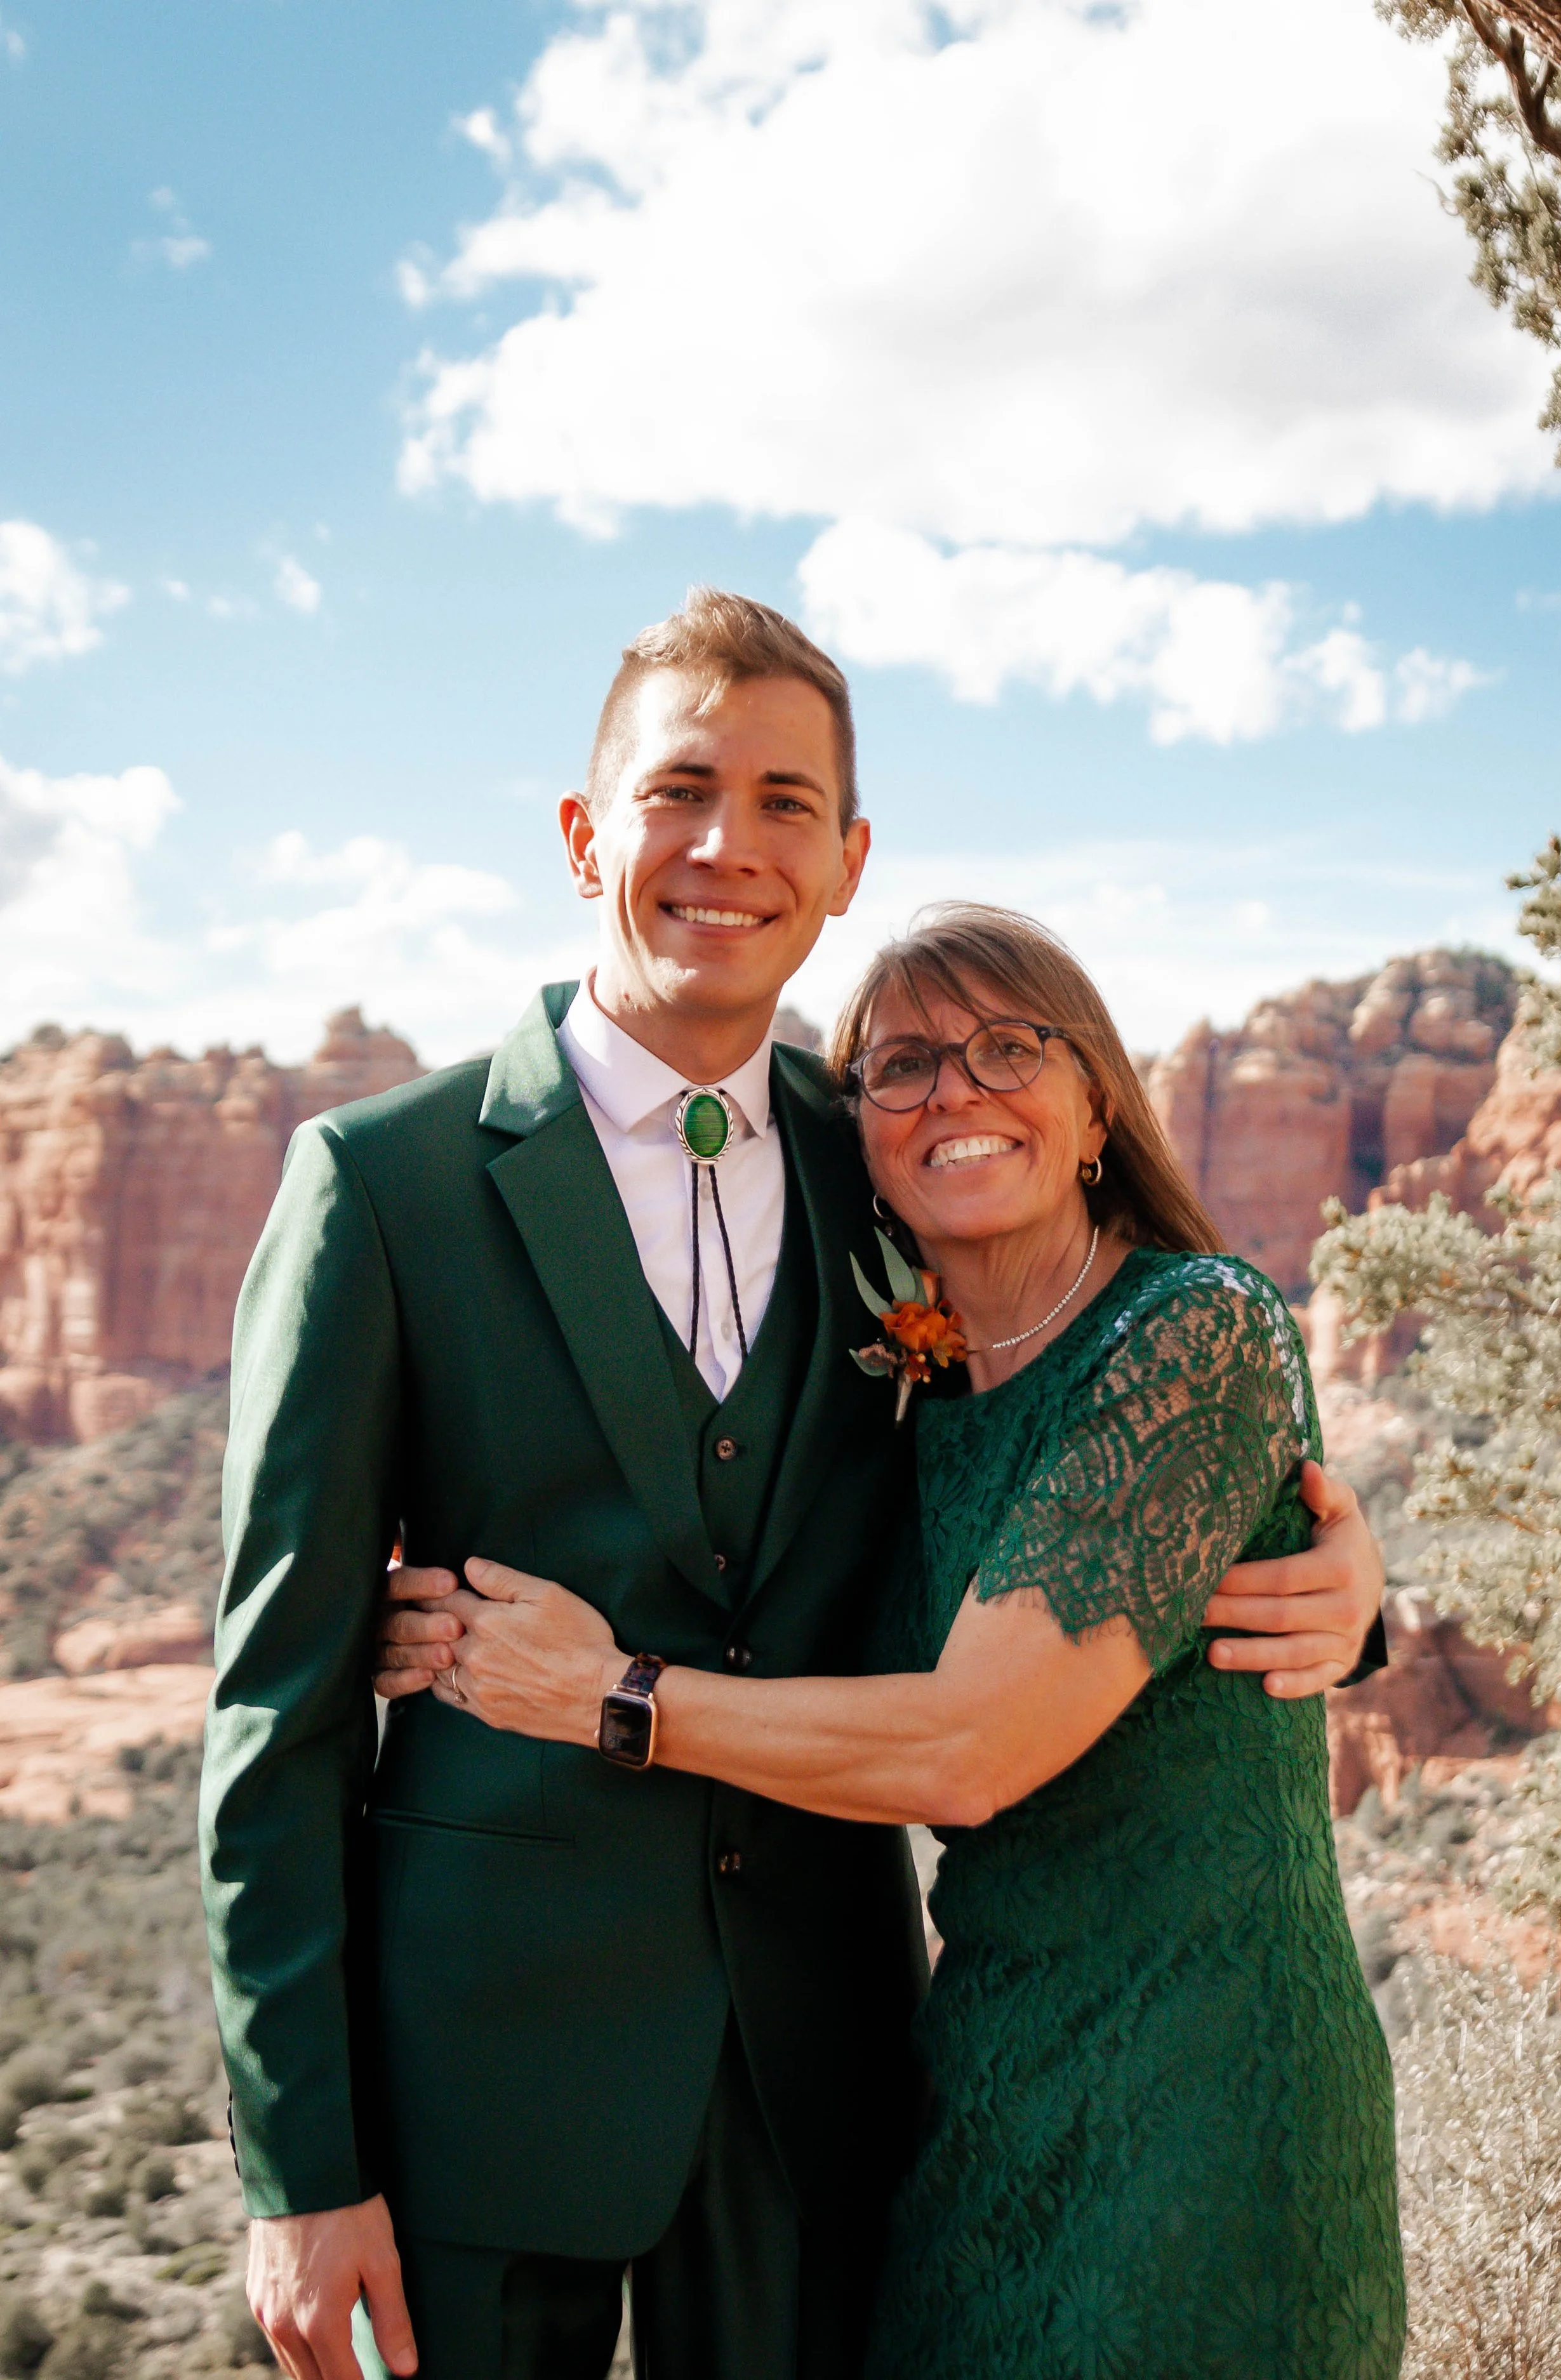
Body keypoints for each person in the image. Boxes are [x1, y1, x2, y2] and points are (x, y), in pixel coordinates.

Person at [203, 590, 1386, 2380]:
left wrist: (1351, 1613)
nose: (722, 844)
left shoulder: (893, 1154)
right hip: (479, 2076)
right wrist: (299, 2161)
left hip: (827, 2074)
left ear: (842, 859)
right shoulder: (381, 1181)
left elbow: (1091, 1453)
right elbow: (271, 1703)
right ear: (585, 833)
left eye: (779, 802)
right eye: (679, 788)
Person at [376, 904, 1406, 2379]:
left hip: (1213, 2097)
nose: (955, 1094)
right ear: (852, 1128)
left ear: (1095, 1101)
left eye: (1007, 1049)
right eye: (904, 1065)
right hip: (976, 2088)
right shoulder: (895, 1403)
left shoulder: (1196, 1332)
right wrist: (387, 1617)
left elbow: (966, 1747)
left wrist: (607, 1697)